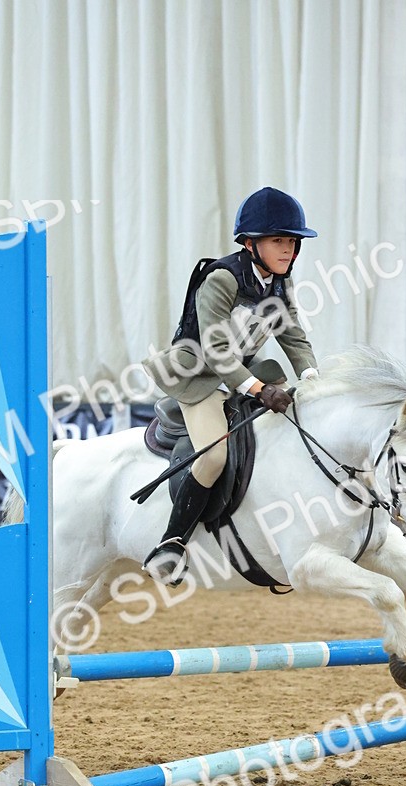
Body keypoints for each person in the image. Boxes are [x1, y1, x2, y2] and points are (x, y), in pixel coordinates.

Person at [141, 186, 319, 583]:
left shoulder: (279, 282)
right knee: (215, 455)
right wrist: (257, 389)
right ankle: (172, 542)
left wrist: (311, 377)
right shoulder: (221, 278)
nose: (289, 249)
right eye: (279, 241)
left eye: (292, 241)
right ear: (250, 244)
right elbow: (216, 349)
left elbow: (293, 337)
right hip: (200, 376)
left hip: (245, 370)